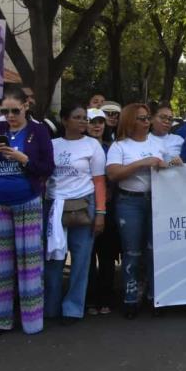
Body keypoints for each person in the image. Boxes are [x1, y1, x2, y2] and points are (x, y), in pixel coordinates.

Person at [0, 86, 55, 336]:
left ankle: (32, 320)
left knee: (30, 264)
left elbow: (47, 168)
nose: (10, 116)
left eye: (15, 111)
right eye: (5, 111)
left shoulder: (39, 131)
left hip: (28, 200)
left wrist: (24, 159)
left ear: (26, 107)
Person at [44, 105, 107, 324]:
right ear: (64, 120)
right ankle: (51, 307)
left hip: (84, 204)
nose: (83, 122)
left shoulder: (92, 145)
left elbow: (99, 181)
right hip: (54, 206)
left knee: (81, 260)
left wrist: (100, 213)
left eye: (84, 118)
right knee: (53, 258)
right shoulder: (52, 145)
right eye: (77, 117)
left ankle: (72, 308)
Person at [106, 104, 167, 320]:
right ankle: (130, 297)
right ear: (130, 121)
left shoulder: (158, 143)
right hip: (129, 201)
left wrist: (172, 163)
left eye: (147, 118)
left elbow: (168, 168)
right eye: (141, 118)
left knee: (154, 251)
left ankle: (154, 296)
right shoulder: (119, 146)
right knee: (132, 252)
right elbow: (113, 174)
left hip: (156, 201)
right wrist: (142, 163)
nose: (146, 122)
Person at [85, 108, 118, 316]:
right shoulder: (79, 146)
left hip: (109, 205)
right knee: (86, 256)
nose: (97, 125)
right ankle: (89, 298)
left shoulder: (111, 147)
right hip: (84, 204)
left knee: (106, 255)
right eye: (92, 121)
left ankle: (106, 297)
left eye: (100, 121)